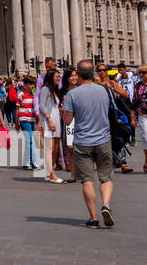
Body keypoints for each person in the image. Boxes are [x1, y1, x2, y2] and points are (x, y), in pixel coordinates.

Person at [60, 61, 115, 228]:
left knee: (87, 180)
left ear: (79, 74)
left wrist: (65, 111)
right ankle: (106, 205)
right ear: (93, 73)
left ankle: (93, 217)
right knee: (106, 178)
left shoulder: (73, 94)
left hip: (83, 141)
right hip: (103, 139)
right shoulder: (104, 90)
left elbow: (68, 121)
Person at [38, 71, 64, 183]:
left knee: (56, 149)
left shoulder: (54, 90)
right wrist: (49, 120)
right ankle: (51, 174)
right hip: (48, 121)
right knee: (50, 148)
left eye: (59, 76)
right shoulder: (45, 89)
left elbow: (55, 106)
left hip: (56, 120)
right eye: (57, 76)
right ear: (51, 77)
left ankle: (49, 172)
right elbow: (42, 106)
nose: (59, 78)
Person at [17, 77, 39, 169]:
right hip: (24, 119)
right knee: (30, 140)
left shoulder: (35, 95)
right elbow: (17, 109)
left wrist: (38, 122)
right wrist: (16, 122)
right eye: (30, 84)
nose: (32, 86)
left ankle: (27, 162)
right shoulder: (21, 94)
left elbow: (37, 108)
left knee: (30, 141)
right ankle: (34, 162)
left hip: (32, 120)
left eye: (33, 84)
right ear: (25, 85)